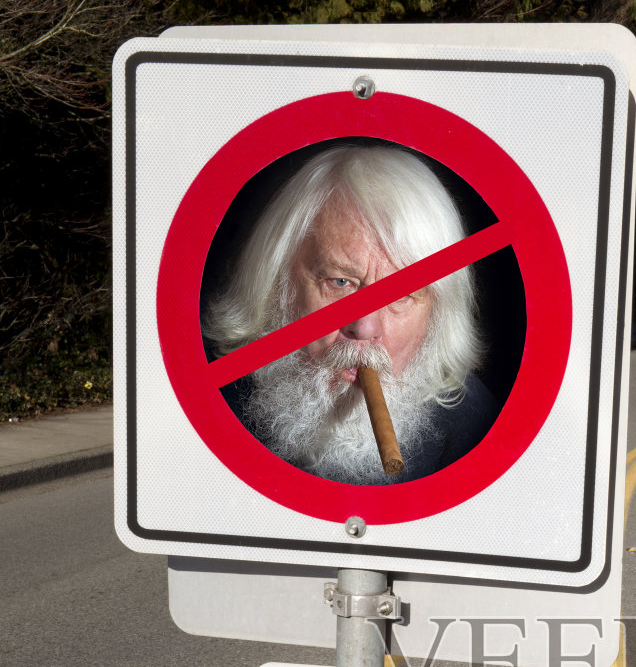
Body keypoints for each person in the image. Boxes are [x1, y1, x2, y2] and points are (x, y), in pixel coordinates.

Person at [202, 144, 498, 484]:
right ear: (276, 283)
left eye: (401, 295)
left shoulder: (476, 431)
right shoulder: (196, 398)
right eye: (340, 281)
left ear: (437, 314)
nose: (364, 327)